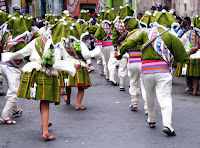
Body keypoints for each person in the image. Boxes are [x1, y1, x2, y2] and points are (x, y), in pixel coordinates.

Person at [118, 11, 199, 136]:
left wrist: (119, 53)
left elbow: (129, 42)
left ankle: (151, 119)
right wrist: (190, 52)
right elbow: (181, 56)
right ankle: (167, 125)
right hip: (163, 71)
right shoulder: (170, 36)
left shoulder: (144, 33)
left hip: (146, 70)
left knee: (149, 96)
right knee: (165, 98)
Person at [1, 21, 81, 140]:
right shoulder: (57, 45)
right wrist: (72, 67)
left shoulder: (38, 40)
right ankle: (45, 132)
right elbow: (56, 64)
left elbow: (22, 53)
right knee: (45, 103)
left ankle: (45, 122)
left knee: (43, 102)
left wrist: (9, 56)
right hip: (47, 76)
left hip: (35, 73)